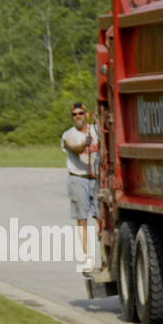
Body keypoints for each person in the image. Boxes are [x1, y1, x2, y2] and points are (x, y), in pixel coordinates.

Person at [61, 103, 99, 264]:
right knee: (82, 219)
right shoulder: (69, 134)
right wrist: (85, 143)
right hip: (78, 178)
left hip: (96, 178)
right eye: (74, 114)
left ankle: (106, 254)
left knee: (101, 216)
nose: (78, 117)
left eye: (81, 113)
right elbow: (74, 148)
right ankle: (88, 257)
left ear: (85, 114)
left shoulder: (95, 130)